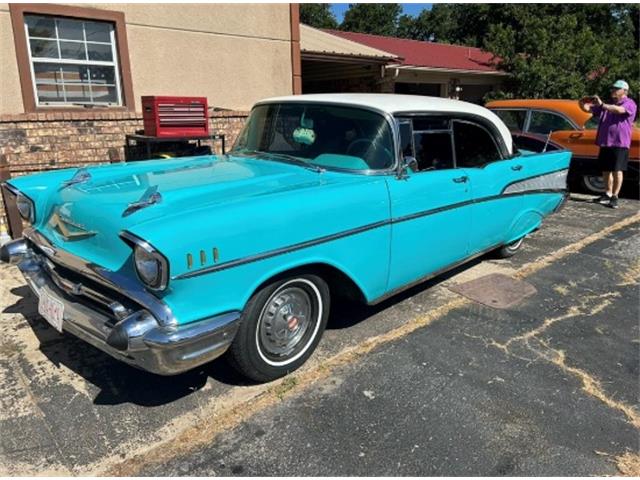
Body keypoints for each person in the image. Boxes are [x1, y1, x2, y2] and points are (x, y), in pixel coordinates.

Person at [579, 80, 637, 209]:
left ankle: (615, 197)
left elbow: (619, 110)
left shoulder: (629, 103)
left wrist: (602, 104)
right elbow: (587, 109)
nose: (613, 91)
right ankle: (607, 193)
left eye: (616, 89)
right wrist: (582, 101)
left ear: (624, 91)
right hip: (606, 142)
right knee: (606, 170)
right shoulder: (608, 104)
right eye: (613, 88)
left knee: (617, 170)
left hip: (620, 142)